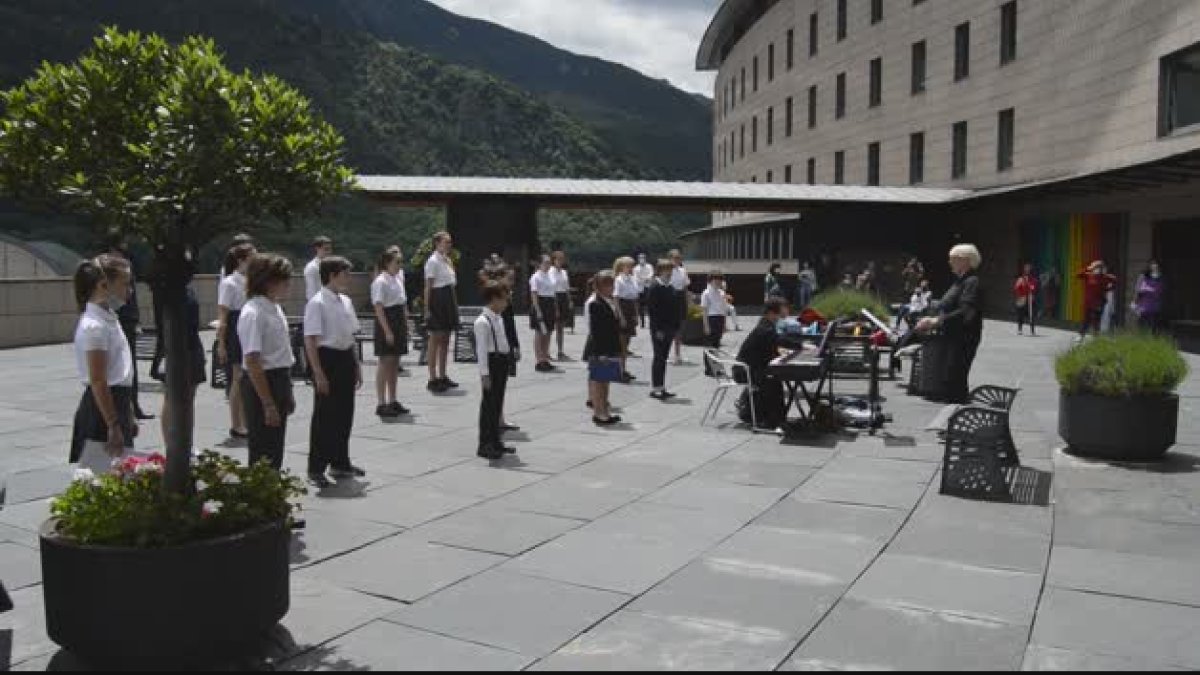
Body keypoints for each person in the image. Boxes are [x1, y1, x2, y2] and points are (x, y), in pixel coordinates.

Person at [69, 255, 139, 474]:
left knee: (118, 478)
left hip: (115, 402)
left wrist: (127, 413)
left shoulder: (109, 318)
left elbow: (119, 371)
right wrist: (113, 424)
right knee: (101, 480)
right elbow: (99, 380)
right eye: (125, 283)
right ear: (103, 285)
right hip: (102, 410)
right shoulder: (94, 326)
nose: (130, 290)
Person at [304, 256, 365, 488]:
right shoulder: (317, 303)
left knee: (344, 413)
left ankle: (340, 462)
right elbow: (310, 340)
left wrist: (356, 366)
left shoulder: (346, 301)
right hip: (326, 357)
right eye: (345, 273)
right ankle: (316, 467)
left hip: (344, 358)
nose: (348, 277)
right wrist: (318, 373)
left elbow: (350, 337)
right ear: (332, 275)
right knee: (324, 415)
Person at [238, 253, 296, 470]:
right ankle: (260, 497)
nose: (288, 284)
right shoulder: (253, 312)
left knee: (275, 444)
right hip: (263, 381)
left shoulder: (273, 306)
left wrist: (286, 391)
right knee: (263, 447)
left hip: (279, 376)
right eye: (284, 279)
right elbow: (253, 360)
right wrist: (268, 403)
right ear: (269, 281)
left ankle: (272, 493)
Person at [915, 244, 984, 404]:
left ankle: (956, 416)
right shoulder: (960, 281)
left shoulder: (972, 281)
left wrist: (936, 321)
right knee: (951, 379)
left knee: (955, 379)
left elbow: (966, 311)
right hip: (953, 336)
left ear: (965, 261)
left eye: (953, 259)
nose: (950, 262)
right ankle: (954, 416)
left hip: (964, 338)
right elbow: (949, 304)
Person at [158, 280, 206, 452]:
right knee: (171, 397)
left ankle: (187, 443)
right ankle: (171, 444)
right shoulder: (165, 291)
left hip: (193, 344)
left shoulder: (188, 288)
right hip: (175, 346)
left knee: (189, 398)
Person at [107, 244, 152, 421]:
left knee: (130, 364)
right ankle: (129, 406)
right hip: (121, 319)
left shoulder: (125, 270)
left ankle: (133, 404)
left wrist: (136, 320)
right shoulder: (112, 273)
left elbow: (132, 300)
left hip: (128, 320)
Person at [475, 280, 518, 459]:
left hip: (501, 362)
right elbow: (482, 351)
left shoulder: (498, 318)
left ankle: (496, 441)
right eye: (503, 299)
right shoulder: (482, 322)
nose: (506, 303)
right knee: (489, 405)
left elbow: (503, 341)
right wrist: (484, 374)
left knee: (497, 403)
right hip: (491, 364)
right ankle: (485, 444)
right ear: (493, 299)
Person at [217, 243, 255, 441]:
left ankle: (247, 421)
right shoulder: (230, 282)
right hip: (235, 327)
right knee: (237, 376)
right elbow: (223, 314)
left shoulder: (251, 280)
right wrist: (221, 343)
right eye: (252, 255)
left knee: (249, 375)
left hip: (249, 325)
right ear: (241, 260)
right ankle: (236, 424)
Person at [735, 297, 790, 431]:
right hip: (745, 371)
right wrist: (802, 345)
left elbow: (768, 347)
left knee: (775, 379)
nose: (787, 310)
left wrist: (779, 351)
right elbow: (778, 340)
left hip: (752, 367)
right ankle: (773, 419)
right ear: (773, 312)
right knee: (773, 381)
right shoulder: (765, 327)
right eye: (783, 307)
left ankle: (776, 418)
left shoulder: (767, 324)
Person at [371, 248, 410, 418]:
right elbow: (378, 308)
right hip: (387, 319)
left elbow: (402, 303)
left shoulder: (397, 279)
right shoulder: (381, 281)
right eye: (397, 262)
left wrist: (405, 325)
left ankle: (393, 400)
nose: (399, 265)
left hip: (398, 319)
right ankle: (381, 402)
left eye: (401, 262)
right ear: (387, 263)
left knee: (395, 363)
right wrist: (387, 331)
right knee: (385, 361)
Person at [584, 271, 623, 425]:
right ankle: (599, 413)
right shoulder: (595, 303)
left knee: (605, 382)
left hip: (611, 345)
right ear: (600, 286)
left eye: (612, 284)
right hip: (601, 348)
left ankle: (604, 411)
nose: (612, 287)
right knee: (599, 382)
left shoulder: (609, 301)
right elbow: (596, 330)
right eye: (608, 285)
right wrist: (601, 353)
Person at [423, 232, 460, 393]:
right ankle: (432, 378)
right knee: (435, 338)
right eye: (446, 242)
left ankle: (443, 375)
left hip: (448, 298)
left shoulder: (447, 260)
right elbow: (428, 286)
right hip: (437, 299)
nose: (449, 245)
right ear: (437, 243)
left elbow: (452, 283)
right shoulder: (432, 261)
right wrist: (426, 308)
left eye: (450, 242)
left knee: (445, 338)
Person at [647, 259, 681, 401]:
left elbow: (675, 309)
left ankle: (661, 387)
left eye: (670, 270)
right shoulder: (655, 287)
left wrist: (675, 327)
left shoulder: (670, 287)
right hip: (659, 329)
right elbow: (653, 311)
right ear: (660, 271)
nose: (669, 273)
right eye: (666, 270)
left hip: (670, 328)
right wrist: (658, 329)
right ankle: (656, 388)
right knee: (659, 357)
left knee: (664, 358)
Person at [529, 255, 558, 372]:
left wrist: (555, 308)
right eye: (545, 263)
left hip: (550, 304)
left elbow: (553, 293)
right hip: (540, 304)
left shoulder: (550, 275)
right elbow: (534, 295)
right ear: (540, 264)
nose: (548, 265)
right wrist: (538, 311)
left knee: (548, 332)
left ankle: (545, 358)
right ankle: (539, 360)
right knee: (539, 333)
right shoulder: (535, 277)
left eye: (549, 263)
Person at [614, 256, 641, 382]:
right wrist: (621, 316)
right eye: (628, 266)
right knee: (621, 343)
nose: (630, 269)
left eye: (631, 266)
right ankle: (619, 370)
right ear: (622, 267)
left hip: (630, 307)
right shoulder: (618, 280)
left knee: (627, 343)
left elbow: (635, 298)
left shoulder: (633, 279)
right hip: (623, 308)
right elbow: (616, 299)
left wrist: (636, 314)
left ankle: (623, 369)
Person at [1077, 260, 1117, 338]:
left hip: (1099, 302)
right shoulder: (1089, 275)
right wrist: (1088, 268)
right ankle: (1081, 335)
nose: (1097, 269)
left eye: (1099, 268)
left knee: (1096, 320)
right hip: (1088, 302)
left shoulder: (1105, 277)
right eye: (1096, 267)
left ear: (1102, 268)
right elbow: (1078, 275)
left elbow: (1115, 280)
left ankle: (1096, 336)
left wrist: (1108, 289)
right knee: (1086, 319)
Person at [669, 249, 691, 365]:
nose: (677, 260)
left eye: (679, 258)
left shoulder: (683, 270)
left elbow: (686, 287)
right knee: (670, 328)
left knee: (680, 328)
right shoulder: (667, 271)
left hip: (681, 298)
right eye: (675, 258)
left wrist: (688, 302)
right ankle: (670, 354)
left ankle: (678, 354)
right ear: (670, 259)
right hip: (670, 297)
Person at [550, 251, 573, 360]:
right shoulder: (550, 272)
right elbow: (551, 287)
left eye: (562, 259)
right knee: (551, 326)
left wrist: (569, 300)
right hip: (554, 296)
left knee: (561, 326)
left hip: (563, 297)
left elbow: (567, 287)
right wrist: (555, 306)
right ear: (553, 260)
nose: (560, 261)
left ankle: (560, 351)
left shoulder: (564, 272)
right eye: (558, 259)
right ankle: (547, 351)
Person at [1132, 260, 1167, 332]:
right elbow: (1137, 289)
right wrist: (1134, 302)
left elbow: (1162, 290)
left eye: (1155, 264)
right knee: (1142, 323)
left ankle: (1152, 337)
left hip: (1155, 304)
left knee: (1154, 323)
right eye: (1152, 264)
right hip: (1145, 303)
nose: (1154, 266)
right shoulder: (1144, 276)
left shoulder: (1161, 277)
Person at [701, 272, 730, 348]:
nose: (718, 282)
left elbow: (724, 309)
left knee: (717, 342)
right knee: (710, 344)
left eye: (720, 280)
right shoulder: (706, 293)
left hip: (720, 318)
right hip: (711, 318)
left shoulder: (722, 293)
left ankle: (715, 358)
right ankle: (708, 359)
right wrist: (706, 325)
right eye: (715, 280)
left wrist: (724, 324)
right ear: (710, 281)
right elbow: (704, 310)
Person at [303, 236, 333, 301]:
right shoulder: (312, 267)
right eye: (326, 249)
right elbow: (311, 291)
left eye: (330, 249)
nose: (329, 252)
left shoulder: (331, 266)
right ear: (317, 248)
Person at [1013, 263, 1039, 336]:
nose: (1027, 270)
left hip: (1030, 300)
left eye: (1029, 269)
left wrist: (1033, 294)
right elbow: (1016, 289)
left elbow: (1035, 289)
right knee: (1020, 315)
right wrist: (1019, 296)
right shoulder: (1020, 279)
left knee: (1032, 315)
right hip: (1022, 299)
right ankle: (1020, 329)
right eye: (1026, 269)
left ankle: (1032, 330)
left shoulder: (1034, 280)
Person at [634, 252, 655, 328]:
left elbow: (651, 274)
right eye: (640, 258)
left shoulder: (649, 266)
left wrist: (646, 279)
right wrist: (643, 280)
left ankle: (651, 321)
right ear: (638, 259)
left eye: (643, 258)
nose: (641, 259)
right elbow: (635, 277)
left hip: (648, 287)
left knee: (650, 305)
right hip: (640, 288)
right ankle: (642, 323)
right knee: (640, 306)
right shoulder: (636, 268)